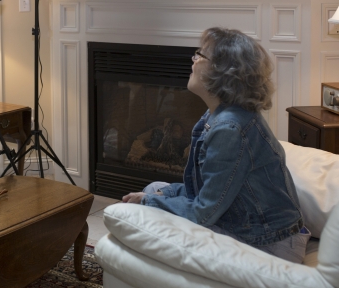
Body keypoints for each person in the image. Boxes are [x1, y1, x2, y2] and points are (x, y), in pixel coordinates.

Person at [122, 27, 310, 263]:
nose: (193, 60)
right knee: (154, 188)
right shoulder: (218, 116)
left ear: (224, 71)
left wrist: (150, 202)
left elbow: (203, 212)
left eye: (200, 55)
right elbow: (201, 192)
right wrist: (156, 196)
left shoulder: (229, 128)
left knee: (147, 205)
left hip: (270, 244)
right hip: (250, 224)